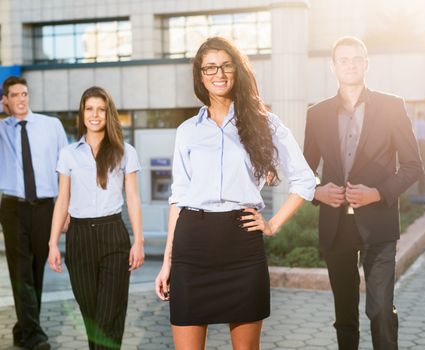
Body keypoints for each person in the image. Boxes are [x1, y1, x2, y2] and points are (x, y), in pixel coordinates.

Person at [154, 36, 315, 350]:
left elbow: (305, 180)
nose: (219, 73)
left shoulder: (265, 123)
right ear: (200, 76)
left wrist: (273, 224)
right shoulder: (187, 130)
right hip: (192, 245)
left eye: (226, 66)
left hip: (241, 245)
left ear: (238, 71)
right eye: (210, 67)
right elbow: (179, 197)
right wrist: (167, 262)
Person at [303, 36, 423, 350]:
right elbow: (304, 171)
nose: (350, 64)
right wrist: (318, 192)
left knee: (380, 310)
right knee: (344, 316)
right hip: (336, 226)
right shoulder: (316, 114)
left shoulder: (392, 106)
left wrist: (378, 193)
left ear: (366, 64)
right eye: (343, 59)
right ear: (333, 67)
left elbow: (413, 166)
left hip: (380, 225)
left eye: (356, 58)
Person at [47, 86, 144, 350]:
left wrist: (139, 241)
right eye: (89, 109)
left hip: (113, 235)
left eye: (101, 109)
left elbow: (133, 198)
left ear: (108, 114)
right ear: (82, 113)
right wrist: (53, 243)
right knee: (92, 317)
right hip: (79, 237)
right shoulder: (68, 153)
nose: (95, 115)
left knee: (108, 315)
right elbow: (62, 200)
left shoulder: (126, 151)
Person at [0, 76, 68, 350]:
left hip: (44, 207)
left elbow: (67, 168)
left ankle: (23, 327)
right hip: (13, 207)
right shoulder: (2, 128)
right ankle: (34, 336)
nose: (21, 99)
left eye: (24, 93)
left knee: (36, 270)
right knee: (21, 271)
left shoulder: (51, 125)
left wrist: (68, 210)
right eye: (14, 95)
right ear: (6, 99)